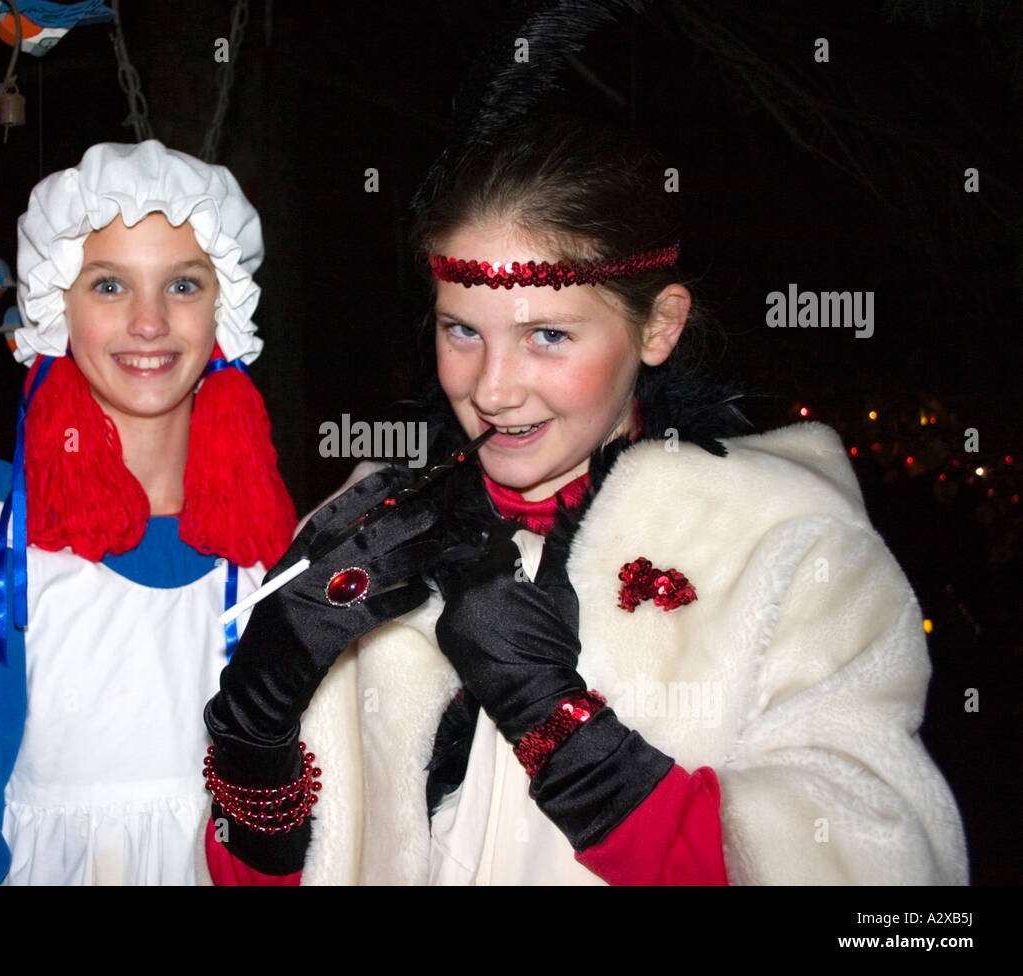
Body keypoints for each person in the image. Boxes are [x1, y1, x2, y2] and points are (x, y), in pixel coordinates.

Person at [201, 116, 969, 885]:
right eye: (461, 331)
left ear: (659, 326)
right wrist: (253, 732)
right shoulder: (367, 532)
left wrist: (558, 726)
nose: (492, 390)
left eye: (549, 338)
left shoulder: (788, 543)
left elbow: (888, 882)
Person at [0, 139, 296, 884]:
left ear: (225, 309)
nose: (149, 323)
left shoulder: (264, 556)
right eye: (110, 287)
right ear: (56, 310)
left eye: (183, 285)